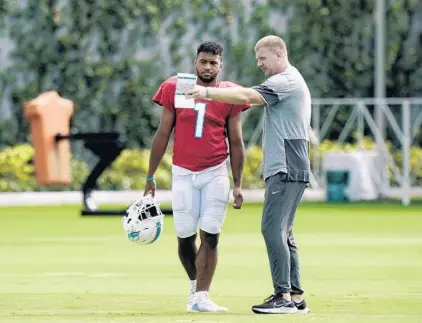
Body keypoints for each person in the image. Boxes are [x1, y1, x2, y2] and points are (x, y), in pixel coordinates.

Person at [185, 35, 311, 315]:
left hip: (287, 166)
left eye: (263, 59)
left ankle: (283, 297)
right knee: (284, 231)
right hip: (293, 165)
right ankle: (295, 296)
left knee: (271, 229)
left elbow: (245, 97)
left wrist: (205, 92)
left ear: (279, 54)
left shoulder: (284, 80)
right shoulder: (291, 79)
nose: (259, 64)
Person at [144, 41, 249, 312]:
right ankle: (194, 288)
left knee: (211, 235)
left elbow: (236, 141)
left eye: (213, 62)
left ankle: (202, 296)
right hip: (182, 172)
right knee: (185, 237)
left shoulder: (229, 93)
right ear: (195, 62)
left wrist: (238, 185)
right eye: (203, 61)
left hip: (215, 171)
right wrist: (150, 177)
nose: (207, 67)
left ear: (221, 65)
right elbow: (163, 133)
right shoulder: (175, 86)